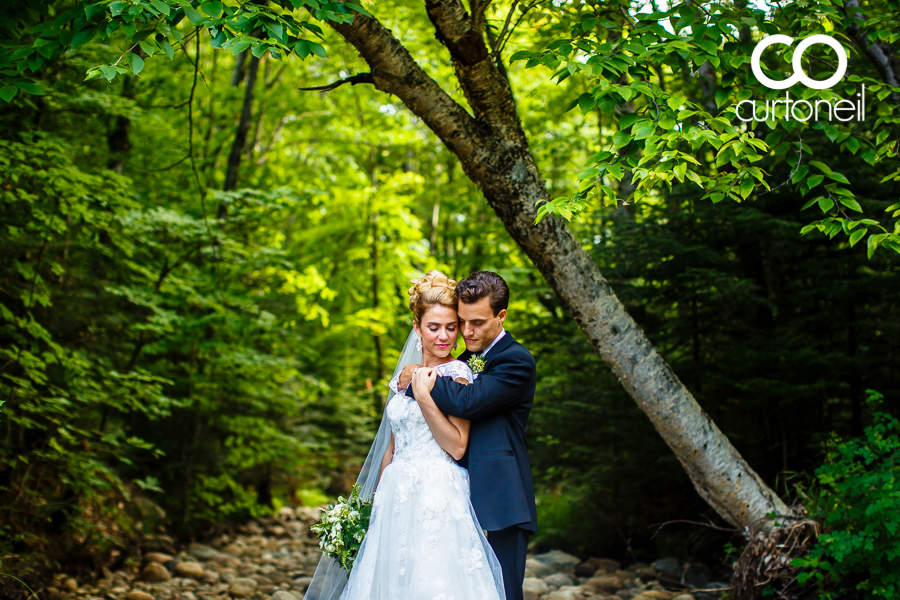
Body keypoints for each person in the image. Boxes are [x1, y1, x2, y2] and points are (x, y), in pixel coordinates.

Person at [328, 270, 506, 600]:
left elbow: (457, 446)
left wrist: (424, 396)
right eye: (433, 327)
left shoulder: (459, 374)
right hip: (395, 493)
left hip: (438, 491)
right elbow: (392, 448)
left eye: (451, 328)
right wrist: (372, 505)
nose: (443, 336)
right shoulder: (400, 379)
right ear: (416, 328)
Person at [399, 270, 538, 600]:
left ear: (501, 316)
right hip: (454, 498)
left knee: (503, 594)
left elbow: (468, 401)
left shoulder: (516, 360)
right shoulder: (465, 358)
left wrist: (418, 374)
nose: (466, 331)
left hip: (501, 500)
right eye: (462, 321)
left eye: (477, 322)